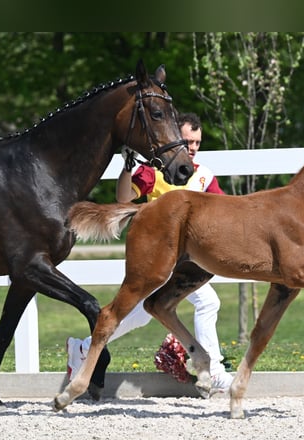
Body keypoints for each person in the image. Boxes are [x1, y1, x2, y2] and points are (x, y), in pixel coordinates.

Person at [66, 112, 233, 397]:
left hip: (186, 261)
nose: (192, 148)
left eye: (197, 143)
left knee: (145, 312)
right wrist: (127, 169)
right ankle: (213, 371)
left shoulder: (203, 176)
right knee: (205, 301)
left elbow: (224, 210)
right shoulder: (152, 172)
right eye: (187, 141)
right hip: (156, 255)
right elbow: (123, 199)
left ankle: (82, 349)